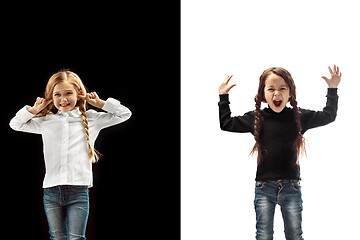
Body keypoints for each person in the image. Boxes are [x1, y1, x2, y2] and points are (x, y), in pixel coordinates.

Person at [218, 65, 341, 240]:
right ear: (263, 94)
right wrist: (223, 97)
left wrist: (332, 89)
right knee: (264, 235)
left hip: (291, 187)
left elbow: (328, 116)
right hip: (263, 188)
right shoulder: (256, 118)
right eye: (271, 89)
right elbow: (227, 124)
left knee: (294, 235)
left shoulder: (298, 117)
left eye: (282, 88)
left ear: (290, 93)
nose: (277, 94)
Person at [9, 70, 132, 239]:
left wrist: (100, 103)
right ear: (50, 97)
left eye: (68, 93)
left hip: (79, 190)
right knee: (57, 237)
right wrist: (35, 109)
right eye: (57, 94)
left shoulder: (92, 119)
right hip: (51, 190)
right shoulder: (47, 121)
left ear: (79, 94)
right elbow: (15, 124)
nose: (63, 99)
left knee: (76, 237)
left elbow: (125, 113)